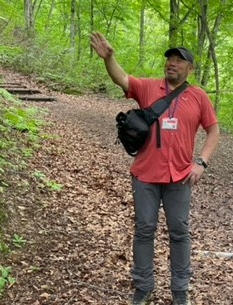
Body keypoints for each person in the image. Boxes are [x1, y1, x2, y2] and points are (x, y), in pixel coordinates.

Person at [90, 31, 220, 305]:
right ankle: (143, 287)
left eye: (179, 61)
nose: (172, 63)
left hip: (180, 176)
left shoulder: (198, 96)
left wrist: (201, 162)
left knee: (179, 232)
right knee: (144, 229)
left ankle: (180, 290)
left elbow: (213, 130)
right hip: (146, 174)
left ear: (190, 68)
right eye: (170, 59)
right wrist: (109, 58)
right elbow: (122, 79)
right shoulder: (149, 87)